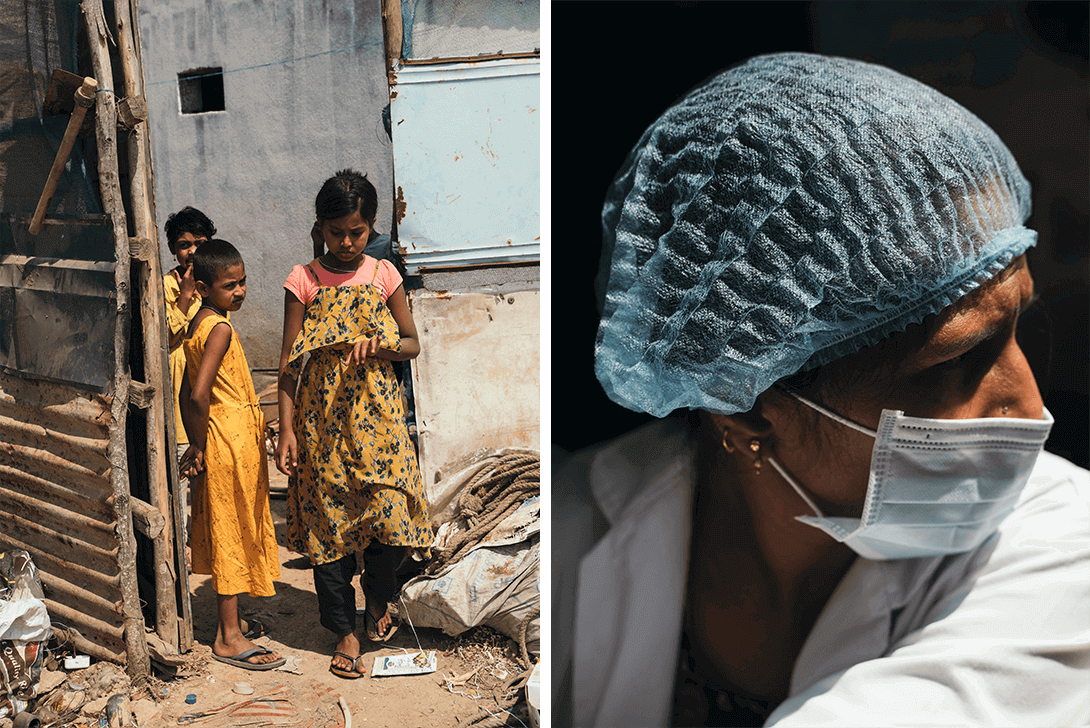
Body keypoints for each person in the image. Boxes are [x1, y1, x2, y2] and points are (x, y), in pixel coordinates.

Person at [553, 53, 1090, 727]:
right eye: (957, 363)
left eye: (1019, 328)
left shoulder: (1066, 545)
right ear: (743, 409)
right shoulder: (568, 526)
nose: (1030, 405)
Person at [275, 169, 431, 680]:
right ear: (319, 227)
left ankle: (379, 600)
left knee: (388, 523)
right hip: (321, 433)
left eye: (357, 232)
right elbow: (287, 366)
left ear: (371, 228)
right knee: (330, 533)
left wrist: (381, 345)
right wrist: (288, 430)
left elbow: (411, 342)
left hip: (379, 429)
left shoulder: (385, 276)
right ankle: (344, 629)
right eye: (335, 231)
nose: (346, 242)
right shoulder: (303, 280)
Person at [179, 239, 284, 671]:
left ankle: (232, 622)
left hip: (221, 437)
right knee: (232, 533)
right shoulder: (220, 329)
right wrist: (201, 443)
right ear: (203, 287)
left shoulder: (197, 324)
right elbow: (200, 394)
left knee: (230, 526)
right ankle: (228, 636)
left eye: (242, 282)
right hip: (228, 440)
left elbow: (187, 394)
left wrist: (196, 439)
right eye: (229, 286)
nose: (239, 291)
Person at [163, 206, 217, 544]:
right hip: (180, 391)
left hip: (209, 390)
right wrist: (185, 296)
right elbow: (167, 336)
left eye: (199, 242)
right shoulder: (166, 285)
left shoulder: (213, 282)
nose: (192, 251)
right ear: (173, 249)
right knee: (182, 470)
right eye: (184, 244)